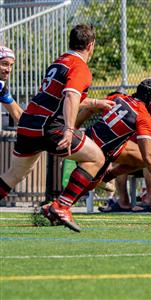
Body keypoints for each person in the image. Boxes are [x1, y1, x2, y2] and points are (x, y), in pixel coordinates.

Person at [0, 24, 116, 232]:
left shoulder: (60, 61)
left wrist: (95, 103)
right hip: (49, 127)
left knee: (13, 175)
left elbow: (61, 97)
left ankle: (58, 206)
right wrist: (69, 129)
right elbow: (71, 95)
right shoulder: (80, 67)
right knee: (96, 158)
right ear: (91, 46)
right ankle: (62, 206)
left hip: (28, 124)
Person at [0, 46, 22, 122]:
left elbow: (18, 114)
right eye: (5, 64)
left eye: (11, 65)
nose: (9, 70)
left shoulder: (1, 87)